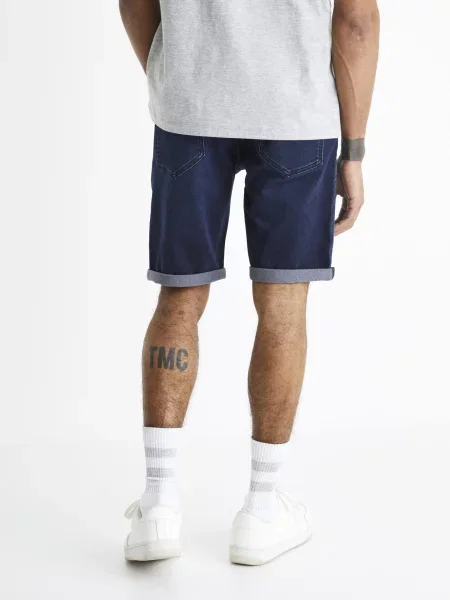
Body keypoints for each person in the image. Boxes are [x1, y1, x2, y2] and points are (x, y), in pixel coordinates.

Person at [119, 0, 380, 566]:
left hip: (191, 113)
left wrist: (175, 82)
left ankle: (158, 504)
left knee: (179, 297)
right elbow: (356, 21)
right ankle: (262, 510)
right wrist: (354, 152)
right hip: (296, 116)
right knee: (283, 307)